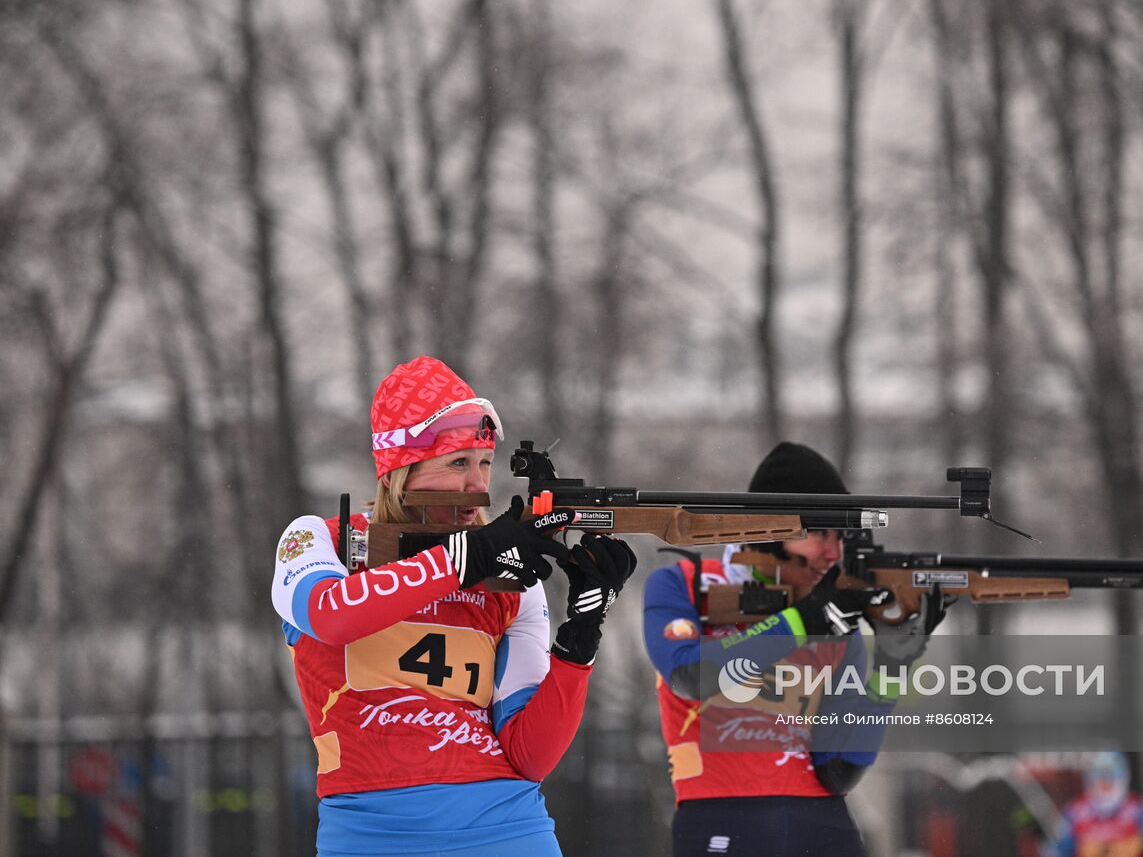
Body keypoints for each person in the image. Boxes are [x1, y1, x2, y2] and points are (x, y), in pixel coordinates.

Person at [271, 355, 637, 857]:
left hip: (508, 830)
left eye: (484, 463)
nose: (477, 485)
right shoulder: (321, 541)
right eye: (458, 463)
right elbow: (332, 615)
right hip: (370, 836)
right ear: (401, 469)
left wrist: (581, 636)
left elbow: (530, 755)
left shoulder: (510, 580)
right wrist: (468, 556)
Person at [643, 441, 945, 857]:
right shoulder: (686, 585)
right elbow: (691, 675)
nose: (833, 552)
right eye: (820, 533)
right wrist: (807, 621)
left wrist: (891, 667)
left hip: (822, 827)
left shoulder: (834, 617)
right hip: (719, 820)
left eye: (841, 536)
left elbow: (839, 769)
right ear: (771, 528)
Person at [1045, 752, 1143, 857]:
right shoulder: (1076, 811)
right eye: (1100, 781)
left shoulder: (1138, 809)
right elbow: (1055, 850)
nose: (1105, 788)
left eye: (1111, 781)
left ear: (1123, 780)